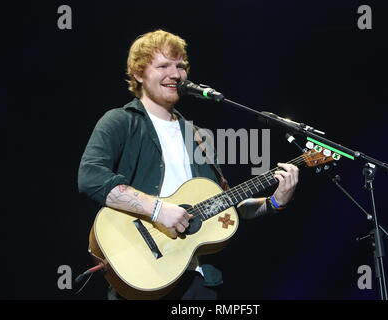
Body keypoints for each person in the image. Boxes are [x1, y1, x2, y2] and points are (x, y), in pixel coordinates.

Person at [78, 29, 299, 300]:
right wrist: (158, 210)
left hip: (198, 279)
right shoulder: (120, 121)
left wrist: (273, 203)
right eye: (163, 66)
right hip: (143, 271)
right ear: (138, 74)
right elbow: (90, 177)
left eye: (181, 66)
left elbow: (222, 208)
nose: (176, 74)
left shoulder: (198, 136)